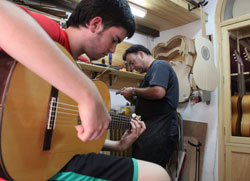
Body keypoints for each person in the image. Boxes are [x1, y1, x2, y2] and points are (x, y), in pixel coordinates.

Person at [0, 0, 171, 180]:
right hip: (19, 168)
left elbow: (65, 140)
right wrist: (87, 93)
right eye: (114, 40)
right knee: (157, 175)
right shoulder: (53, 36)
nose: (113, 49)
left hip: (30, 163)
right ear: (95, 24)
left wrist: (116, 145)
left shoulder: (75, 67)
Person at [120, 44, 179, 168]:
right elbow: (146, 104)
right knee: (142, 169)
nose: (131, 67)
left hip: (161, 128)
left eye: (132, 62)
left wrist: (134, 90)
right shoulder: (150, 73)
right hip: (152, 128)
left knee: (149, 171)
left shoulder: (159, 66)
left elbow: (158, 92)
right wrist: (130, 97)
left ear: (141, 54)